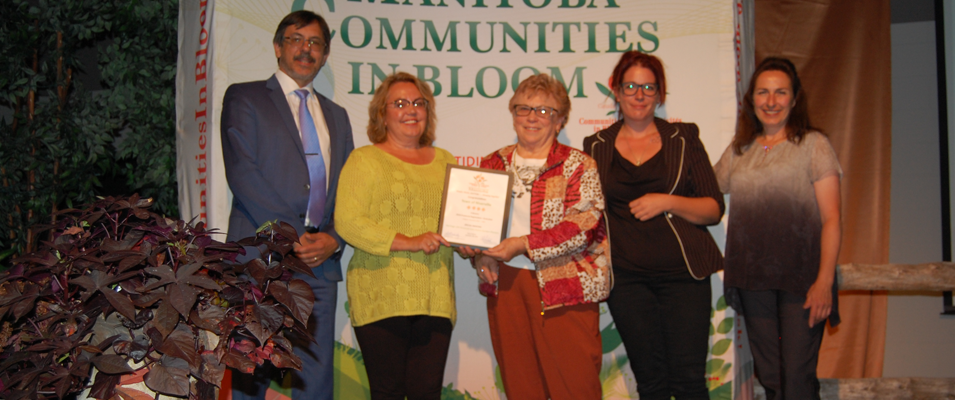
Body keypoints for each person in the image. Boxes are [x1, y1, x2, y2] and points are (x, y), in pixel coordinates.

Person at [220, 10, 354, 400]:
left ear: (325, 55)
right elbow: (243, 174)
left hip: (319, 264)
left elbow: (348, 188)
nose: (305, 49)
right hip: (261, 259)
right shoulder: (244, 97)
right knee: (251, 374)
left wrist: (334, 238)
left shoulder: (338, 116)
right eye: (296, 39)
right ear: (278, 46)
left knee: (314, 380)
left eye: (315, 43)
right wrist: (290, 236)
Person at [582, 51, 724, 400]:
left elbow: (713, 208)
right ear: (616, 91)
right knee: (651, 384)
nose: (640, 94)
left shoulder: (684, 138)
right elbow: (588, 214)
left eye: (649, 87)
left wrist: (667, 201)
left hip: (683, 277)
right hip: (628, 282)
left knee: (689, 382)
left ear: (660, 94)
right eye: (631, 86)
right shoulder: (595, 146)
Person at [460, 73, 611, 400]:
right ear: (512, 113)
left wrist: (522, 244)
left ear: (561, 120)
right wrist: (480, 254)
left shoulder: (578, 165)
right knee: (521, 384)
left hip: (566, 287)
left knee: (575, 386)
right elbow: (477, 224)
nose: (532, 117)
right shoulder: (492, 163)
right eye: (523, 108)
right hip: (508, 285)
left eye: (544, 110)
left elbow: (582, 226)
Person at [714, 57, 842, 400]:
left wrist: (825, 281)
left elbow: (832, 219)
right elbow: (707, 191)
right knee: (771, 377)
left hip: (804, 280)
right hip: (753, 279)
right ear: (751, 100)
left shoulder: (814, 146)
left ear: (795, 98)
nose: (771, 102)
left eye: (780, 92)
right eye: (763, 93)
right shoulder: (740, 150)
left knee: (797, 379)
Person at [334, 72, 456, 400]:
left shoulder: (446, 160)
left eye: (419, 103)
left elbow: (459, 223)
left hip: (435, 297)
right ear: (381, 113)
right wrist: (411, 241)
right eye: (400, 103)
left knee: (427, 393)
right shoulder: (365, 160)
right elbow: (347, 222)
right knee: (387, 393)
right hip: (381, 295)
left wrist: (473, 244)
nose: (411, 110)